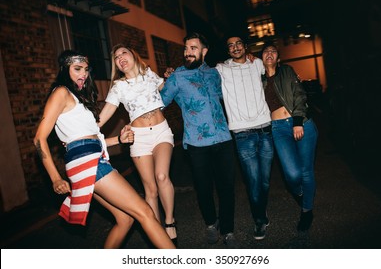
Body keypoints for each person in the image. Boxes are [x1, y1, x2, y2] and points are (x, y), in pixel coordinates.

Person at [33, 50, 175, 249]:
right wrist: (55, 177)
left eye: (86, 70)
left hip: (89, 158)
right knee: (145, 212)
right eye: (77, 69)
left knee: (125, 220)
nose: (83, 74)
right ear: (65, 70)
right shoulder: (61, 92)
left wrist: (118, 139)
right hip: (88, 162)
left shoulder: (76, 97)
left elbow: (90, 138)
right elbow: (39, 138)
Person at [160, 32, 238, 248]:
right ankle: (211, 223)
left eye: (193, 48)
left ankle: (229, 231)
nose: (188, 53)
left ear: (204, 51)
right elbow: (160, 103)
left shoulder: (215, 74)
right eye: (186, 48)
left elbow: (231, 95)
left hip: (223, 139)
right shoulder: (177, 77)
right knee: (203, 188)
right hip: (196, 143)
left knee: (226, 188)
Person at [98, 44, 176, 243]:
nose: (120, 57)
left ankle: (169, 221)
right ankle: (157, 234)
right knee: (150, 189)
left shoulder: (149, 74)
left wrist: (170, 76)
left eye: (124, 52)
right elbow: (104, 115)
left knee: (161, 175)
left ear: (133, 55)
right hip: (138, 137)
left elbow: (168, 87)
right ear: (116, 64)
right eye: (116, 57)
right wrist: (85, 131)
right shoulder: (118, 87)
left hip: (161, 131)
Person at [215, 35, 274, 240]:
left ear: (245, 47)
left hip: (265, 129)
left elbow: (272, 69)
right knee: (253, 180)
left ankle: (261, 211)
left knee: (264, 181)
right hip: (242, 134)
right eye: (230, 45)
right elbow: (201, 75)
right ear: (228, 50)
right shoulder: (221, 70)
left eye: (238, 43)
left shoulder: (256, 63)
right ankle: (259, 220)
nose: (235, 47)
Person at [261, 42, 318, 231]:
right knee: (292, 175)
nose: (269, 53)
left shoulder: (287, 71)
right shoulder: (257, 78)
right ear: (261, 58)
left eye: (273, 51)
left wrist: (297, 121)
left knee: (306, 172)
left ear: (278, 58)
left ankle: (306, 211)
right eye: (265, 51)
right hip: (278, 128)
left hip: (301, 124)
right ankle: (302, 195)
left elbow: (300, 95)